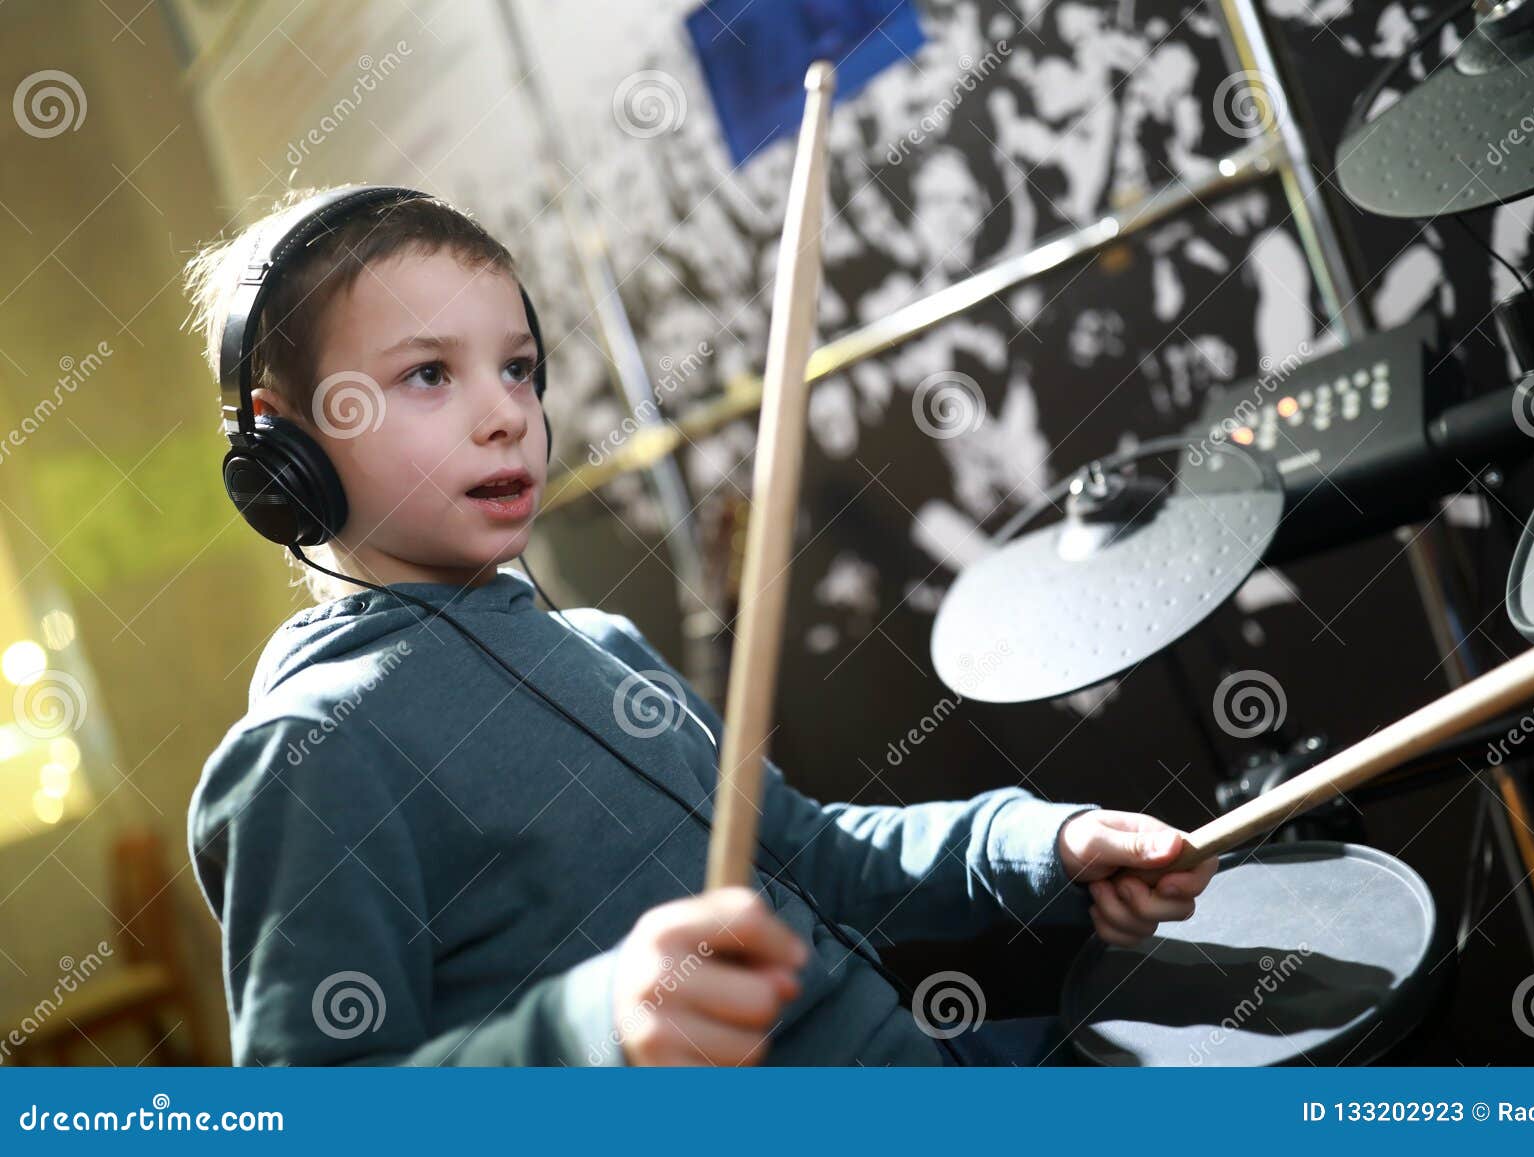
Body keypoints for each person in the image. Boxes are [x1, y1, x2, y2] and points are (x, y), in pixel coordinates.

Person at [182, 186, 1218, 1067]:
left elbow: (820, 858)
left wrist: (1042, 845)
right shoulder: (309, 755)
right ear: (285, 445)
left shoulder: (601, 647)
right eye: (428, 374)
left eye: (518, 367)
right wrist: (592, 1026)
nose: (505, 414)